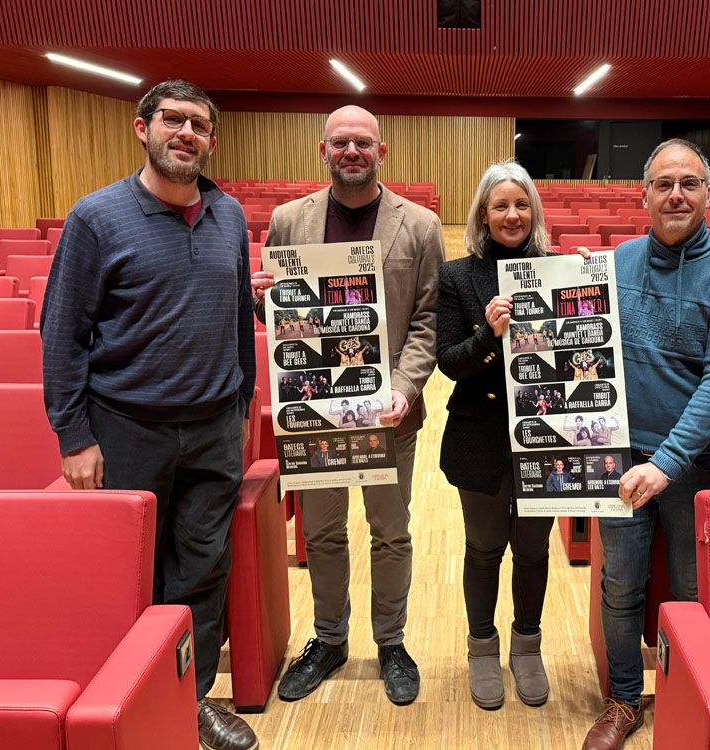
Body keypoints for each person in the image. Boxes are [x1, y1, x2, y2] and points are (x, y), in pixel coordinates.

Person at [40, 80, 258, 750]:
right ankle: (130, 705)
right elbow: (62, 332)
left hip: (215, 426)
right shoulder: (97, 217)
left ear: (211, 140)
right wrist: (74, 435)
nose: (185, 133)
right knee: (131, 574)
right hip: (125, 428)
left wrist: (244, 403)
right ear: (143, 128)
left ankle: (192, 704)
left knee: (202, 568)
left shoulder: (228, 216)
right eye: (173, 120)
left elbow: (237, 322)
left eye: (198, 124)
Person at [252, 105, 443, 706]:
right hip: (315, 414)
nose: (352, 151)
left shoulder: (420, 225)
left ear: (381, 151)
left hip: (388, 412)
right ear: (323, 151)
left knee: (390, 534)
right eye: (341, 143)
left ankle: (391, 643)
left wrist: (404, 386)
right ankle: (329, 640)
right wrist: (263, 303)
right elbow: (286, 323)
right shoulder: (288, 220)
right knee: (324, 534)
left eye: (363, 142)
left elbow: (429, 321)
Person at [583, 138, 710, 750]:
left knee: (690, 589)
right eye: (664, 184)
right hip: (617, 454)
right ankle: (624, 701)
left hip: (692, 465)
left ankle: (688, 694)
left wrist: (666, 461)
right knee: (620, 584)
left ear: (708, 194)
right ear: (645, 194)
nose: (676, 194)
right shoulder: (617, 261)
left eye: (689, 183)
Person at [436, 159, 557, 711]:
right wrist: (491, 332)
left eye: (521, 203)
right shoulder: (458, 275)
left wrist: (591, 288)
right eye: (501, 205)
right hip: (480, 438)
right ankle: (482, 648)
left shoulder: (558, 269)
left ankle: (526, 647)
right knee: (484, 549)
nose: (512, 214)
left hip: (547, 437)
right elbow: (449, 363)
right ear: (483, 215)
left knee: (532, 551)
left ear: (534, 211)